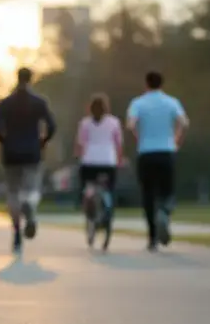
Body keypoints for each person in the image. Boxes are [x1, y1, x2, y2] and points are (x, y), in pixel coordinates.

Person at [0, 67, 56, 252]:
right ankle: (29, 205)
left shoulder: (6, 103)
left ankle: (17, 232)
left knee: (12, 192)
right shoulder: (39, 102)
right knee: (31, 187)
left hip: (11, 153)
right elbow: (51, 125)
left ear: (17, 78)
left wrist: (5, 141)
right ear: (31, 79)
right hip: (32, 152)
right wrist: (43, 141)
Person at [126, 71, 188, 251]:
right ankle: (164, 213)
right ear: (162, 84)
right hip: (166, 151)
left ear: (146, 84)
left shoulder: (138, 103)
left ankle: (152, 237)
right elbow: (184, 122)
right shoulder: (171, 102)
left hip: (146, 153)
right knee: (167, 190)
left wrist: (138, 136)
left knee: (148, 194)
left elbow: (131, 124)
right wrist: (176, 139)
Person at [75, 92, 122, 230]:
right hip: (108, 160)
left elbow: (80, 143)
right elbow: (118, 143)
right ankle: (108, 209)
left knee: (87, 185)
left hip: (89, 161)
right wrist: (119, 159)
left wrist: (78, 156)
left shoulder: (85, 123)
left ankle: (88, 201)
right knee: (109, 188)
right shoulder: (114, 122)